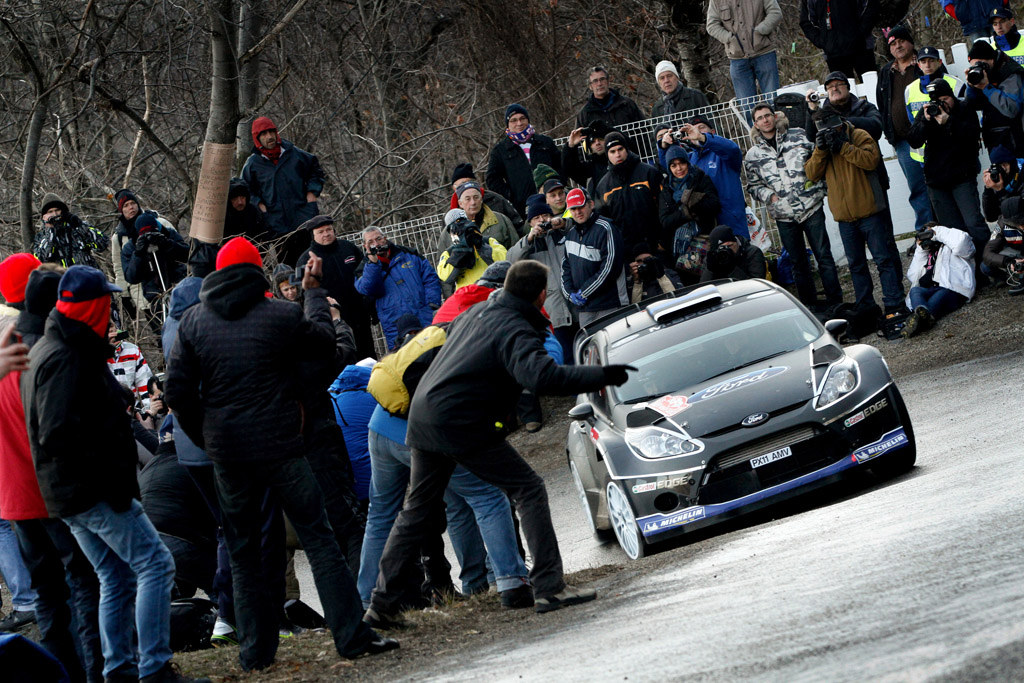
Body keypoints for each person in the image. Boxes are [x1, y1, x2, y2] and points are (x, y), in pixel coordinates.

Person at [164, 238, 397, 670]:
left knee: (243, 550)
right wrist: (311, 293)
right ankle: (350, 635)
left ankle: (255, 652)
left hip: (229, 456)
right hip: (283, 447)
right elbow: (325, 345)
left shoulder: (193, 323)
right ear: (256, 272)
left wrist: (208, 436)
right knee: (320, 538)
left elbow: (176, 391)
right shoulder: (279, 315)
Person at [364, 260, 635, 627]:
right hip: (460, 424)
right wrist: (602, 374)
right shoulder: (514, 326)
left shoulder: (478, 311)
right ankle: (549, 587)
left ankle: (381, 605)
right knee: (529, 489)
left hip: (425, 416)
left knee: (416, 511)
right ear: (541, 295)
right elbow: (540, 377)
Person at [21, 265, 205, 683]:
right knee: (156, 565)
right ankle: (154, 669)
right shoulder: (64, 356)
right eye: (105, 302)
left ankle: (120, 669)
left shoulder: (61, 348)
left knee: (115, 575)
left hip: (74, 495)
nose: (111, 310)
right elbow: (57, 434)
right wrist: (110, 484)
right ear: (91, 308)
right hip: (94, 494)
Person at [0, 264, 105, 681]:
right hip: (50, 489)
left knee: (47, 592)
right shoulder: (43, 348)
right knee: (84, 581)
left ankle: (63, 673)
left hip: (13, 493)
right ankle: (95, 670)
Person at [805, 110, 907, 321]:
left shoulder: (859, 135)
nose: (831, 133)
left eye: (833, 130)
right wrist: (821, 149)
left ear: (841, 124)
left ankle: (894, 303)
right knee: (856, 265)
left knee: (883, 260)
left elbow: (870, 160)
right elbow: (811, 174)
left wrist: (843, 146)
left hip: (869, 212)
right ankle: (866, 306)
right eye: (826, 131)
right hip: (845, 218)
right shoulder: (822, 146)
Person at [744, 104, 843, 308]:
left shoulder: (798, 135)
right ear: (755, 123)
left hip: (811, 206)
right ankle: (810, 308)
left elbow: (819, 157)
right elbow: (753, 186)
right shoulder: (753, 155)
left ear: (775, 116)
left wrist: (819, 186)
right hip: (784, 215)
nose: (765, 120)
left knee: (824, 256)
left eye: (768, 116)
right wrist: (770, 197)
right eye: (760, 118)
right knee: (798, 263)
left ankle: (836, 302)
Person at [906, 79, 990, 271]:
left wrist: (949, 122)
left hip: (962, 176)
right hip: (937, 180)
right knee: (952, 230)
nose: (942, 104)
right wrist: (926, 121)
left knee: (973, 222)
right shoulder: (928, 112)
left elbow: (971, 136)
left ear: (951, 96)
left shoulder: (964, 108)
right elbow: (914, 140)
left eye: (945, 99)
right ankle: (967, 272)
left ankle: (989, 264)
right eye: (938, 100)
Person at [241, 116, 326, 265]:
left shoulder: (294, 154)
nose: (269, 137)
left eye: (271, 132)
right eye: (264, 134)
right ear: (257, 138)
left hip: (303, 218)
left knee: (312, 263)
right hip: (276, 223)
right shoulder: (253, 164)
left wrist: (312, 193)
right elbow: (245, 189)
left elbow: (316, 171)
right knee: (288, 268)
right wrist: (259, 205)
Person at [876, 26, 935, 231]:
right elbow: (882, 104)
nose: (897, 46)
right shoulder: (885, 72)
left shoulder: (924, 64)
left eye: (901, 41)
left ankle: (946, 230)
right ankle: (925, 233)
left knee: (938, 184)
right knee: (917, 188)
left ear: (910, 42)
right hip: (904, 142)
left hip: (932, 137)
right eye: (892, 43)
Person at [508, 195, 578, 364]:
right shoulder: (528, 244)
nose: (542, 221)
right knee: (567, 359)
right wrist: (529, 239)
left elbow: (581, 226)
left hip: (578, 306)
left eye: (545, 216)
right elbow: (511, 259)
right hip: (555, 312)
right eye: (536, 218)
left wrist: (562, 223)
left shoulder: (562, 232)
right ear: (530, 223)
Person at [295, 216, 376, 359]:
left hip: (359, 316)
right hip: (332, 321)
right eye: (320, 232)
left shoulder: (348, 248)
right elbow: (301, 293)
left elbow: (366, 276)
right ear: (313, 235)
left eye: (328, 230)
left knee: (368, 358)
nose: (326, 234)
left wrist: (371, 308)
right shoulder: (305, 260)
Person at [659, 115, 748, 237]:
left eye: (701, 128)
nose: (696, 131)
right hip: (706, 229)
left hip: (731, 223)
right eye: (693, 129)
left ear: (712, 132)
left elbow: (733, 149)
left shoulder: (725, 156)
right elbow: (669, 164)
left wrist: (703, 138)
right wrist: (664, 145)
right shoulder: (689, 160)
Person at [355, 227, 441, 351]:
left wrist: (432, 304)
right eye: (370, 242)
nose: (376, 244)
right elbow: (368, 289)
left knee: (436, 352)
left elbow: (430, 278)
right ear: (365, 246)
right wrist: (373, 263)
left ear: (385, 238)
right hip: (394, 323)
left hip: (423, 314)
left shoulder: (409, 254)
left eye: (378, 239)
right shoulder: (363, 268)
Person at [560, 188, 628, 326]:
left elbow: (610, 268)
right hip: (585, 309)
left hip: (609, 305)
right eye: (573, 209)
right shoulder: (571, 234)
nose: (578, 212)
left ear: (591, 204)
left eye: (581, 206)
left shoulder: (606, 228)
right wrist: (570, 295)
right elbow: (565, 268)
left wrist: (584, 293)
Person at [594, 132, 664, 255]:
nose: (617, 154)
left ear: (626, 149)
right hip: (625, 251)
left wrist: (663, 241)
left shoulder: (649, 173)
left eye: (620, 149)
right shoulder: (603, 186)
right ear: (607, 155)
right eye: (612, 151)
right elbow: (604, 223)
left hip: (656, 246)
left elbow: (664, 208)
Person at [486, 104, 562, 216]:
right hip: (524, 207)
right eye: (514, 120)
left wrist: (559, 185)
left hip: (553, 201)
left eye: (522, 118)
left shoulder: (545, 142)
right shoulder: (500, 151)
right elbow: (492, 179)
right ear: (507, 125)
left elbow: (561, 166)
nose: (519, 123)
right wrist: (512, 196)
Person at [901, 223, 976, 338]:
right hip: (931, 289)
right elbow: (912, 275)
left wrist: (938, 233)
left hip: (952, 289)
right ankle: (922, 317)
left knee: (941, 295)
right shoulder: (928, 253)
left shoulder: (951, 246)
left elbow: (962, 245)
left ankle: (917, 321)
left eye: (929, 233)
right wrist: (921, 250)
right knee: (915, 291)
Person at [705, 0, 782, 104]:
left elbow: (775, 13)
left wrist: (760, 31)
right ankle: (751, 121)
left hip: (764, 53)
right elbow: (712, 25)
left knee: (773, 100)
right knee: (747, 106)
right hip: (737, 59)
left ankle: (776, 120)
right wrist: (729, 38)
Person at [659, 145, 721, 269]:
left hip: (704, 240)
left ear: (687, 163)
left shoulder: (701, 179)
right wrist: (685, 213)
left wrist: (695, 203)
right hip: (677, 249)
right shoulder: (666, 189)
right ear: (669, 168)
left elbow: (715, 206)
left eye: (682, 163)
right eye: (673, 165)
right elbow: (665, 221)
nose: (679, 168)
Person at [904, 46, 968, 165]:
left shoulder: (956, 84)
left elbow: (965, 116)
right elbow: (912, 121)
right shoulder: (909, 89)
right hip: (924, 154)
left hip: (954, 151)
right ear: (918, 64)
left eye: (931, 61)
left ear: (939, 62)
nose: (927, 65)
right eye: (923, 61)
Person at [963, 39, 1024, 152]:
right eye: (974, 65)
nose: (979, 68)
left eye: (981, 64)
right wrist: (972, 85)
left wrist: (986, 87)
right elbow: (971, 104)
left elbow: (1011, 109)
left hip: (1015, 141)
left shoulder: (1010, 74)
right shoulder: (986, 75)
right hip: (996, 141)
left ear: (991, 60)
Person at [121, 212, 189, 308]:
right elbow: (131, 277)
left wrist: (168, 244)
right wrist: (138, 254)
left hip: (180, 288)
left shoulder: (169, 234)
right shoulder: (131, 247)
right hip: (155, 298)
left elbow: (188, 255)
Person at [799, 0, 879, 81]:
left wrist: (860, 32)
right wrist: (822, 41)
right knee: (841, 90)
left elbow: (871, 6)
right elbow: (806, 21)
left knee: (872, 86)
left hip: (862, 47)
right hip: (833, 52)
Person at [436, 209, 508, 296]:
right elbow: (446, 277)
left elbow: (504, 260)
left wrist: (481, 246)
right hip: (467, 298)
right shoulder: (448, 253)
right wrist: (459, 252)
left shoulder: (488, 241)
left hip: (491, 293)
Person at [31, 193, 109, 270]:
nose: (54, 214)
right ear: (45, 215)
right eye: (50, 212)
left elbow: (102, 244)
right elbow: (41, 260)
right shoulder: (41, 237)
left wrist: (79, 225)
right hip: (62, 280)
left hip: (87, 277)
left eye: (57, 210)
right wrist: (50, 231)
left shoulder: (78, 226)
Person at [447, 163, 523, 235]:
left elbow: (516, 226)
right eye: (462, 184)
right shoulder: (450, 215)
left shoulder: (495, 199)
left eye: (470, 182)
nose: (473, 202)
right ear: (454, 187)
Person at [575, 67, 644, 131]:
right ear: (590, 86)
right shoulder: (585, 114)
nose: (599, 84)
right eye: (595, 81)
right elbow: (580, 140)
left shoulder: (626, 104)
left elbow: (644, 129)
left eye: (602, 79)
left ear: (608, 81)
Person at [455, 181, 519, 249]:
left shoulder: (501, 220)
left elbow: (515, 250)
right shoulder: (452, 228)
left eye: (476, 197)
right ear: (460, 203)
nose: (473, 202)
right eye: (468, 199)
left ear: (481, 199)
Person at [107, 321, 154, 412]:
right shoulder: (93, 355)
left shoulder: (132, 350)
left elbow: (145, 383)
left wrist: (148, 412)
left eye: (113, 329)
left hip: (131, 411)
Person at [984, 196, 1024, 294]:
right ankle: (1012, 277)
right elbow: (987, 253)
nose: (1020, 225)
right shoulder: (1002, 224)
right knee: (985, 267)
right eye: (1016, 223)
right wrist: (1010, 262)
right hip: (1018, 254)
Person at [700, 225, 768, 282]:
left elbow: (757, 286)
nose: (727, 250)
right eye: (722, 248)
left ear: (736, 242)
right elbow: (704, 290)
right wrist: (710, 269)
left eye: (729, 246)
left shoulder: (752, 253)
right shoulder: (712, 259)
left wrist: (731, 269)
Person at [562, 121, 612, 194]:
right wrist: (571, 146)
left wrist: (609, 130)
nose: (597, 143)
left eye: (600, 139)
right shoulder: (591, 169)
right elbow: (570, 169)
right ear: (590, 147)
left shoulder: (620, 160)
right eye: (593, 142)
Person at [942, 0, 1009, 44]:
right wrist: (960, 15)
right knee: (982, 57)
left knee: (1007, 50)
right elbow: (946, 3)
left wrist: (1001, 4)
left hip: (996, 16)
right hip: (972, 23)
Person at [224, 177, 268, 243]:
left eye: (242, 197)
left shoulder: (253, 212)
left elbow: (263, 236)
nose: (240, 202)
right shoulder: (223, 217)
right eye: (235, 199)